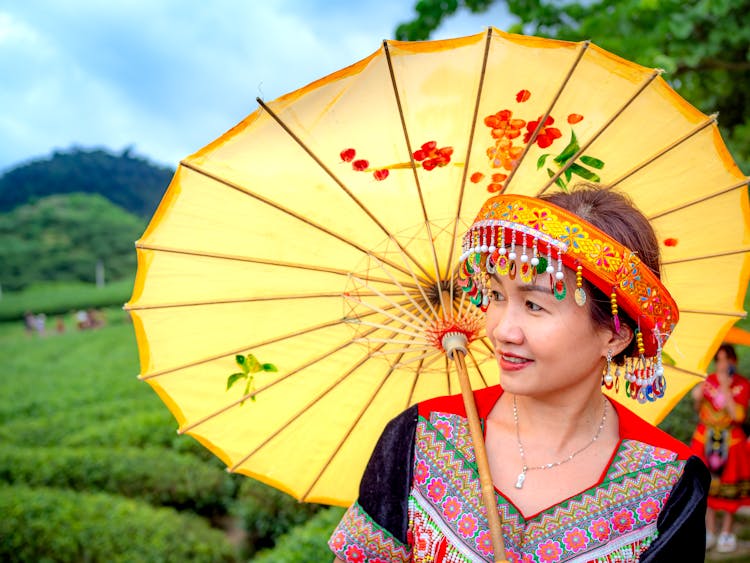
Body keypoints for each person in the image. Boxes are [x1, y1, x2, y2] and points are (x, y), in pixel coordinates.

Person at [329, 186, 710, 562]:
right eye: (496, 296)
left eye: (534, 305)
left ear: (614, 334)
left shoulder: (665, 484)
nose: (502, 330)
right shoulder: (422, 436)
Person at [691, 343, 750, 553]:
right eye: (720, 360)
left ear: (734, 361)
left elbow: (739, 416)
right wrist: (698, 395)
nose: (723, 364)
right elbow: (699, 410)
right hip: (705, 441)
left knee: (730, 489)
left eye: (727, 359)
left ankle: (727, 532)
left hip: (731, 444)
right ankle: (710, 531)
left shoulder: (743, 384)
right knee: (707, 488)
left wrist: (725, 387)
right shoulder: (708, 381)